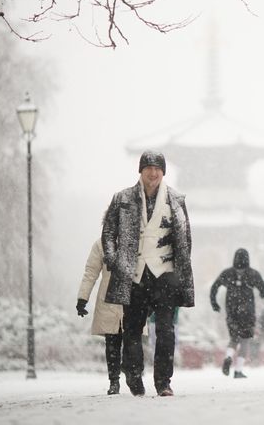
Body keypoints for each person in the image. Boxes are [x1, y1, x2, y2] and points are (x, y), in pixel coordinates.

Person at [101, 150, 194, 397]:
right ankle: (133, 375)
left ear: (163, 172)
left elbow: (185, 238)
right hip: (134, 273)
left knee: (165, 330)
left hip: (164, 273)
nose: (153, 173)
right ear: (140, 171)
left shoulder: (175, 199)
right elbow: (108, 232)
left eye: (157, 169)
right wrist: (113, 260)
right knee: (132, 329)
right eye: (148, 168)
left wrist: (179, 268)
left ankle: (163, 381)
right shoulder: (122, 199)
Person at [210, 248, 264, 379]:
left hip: (231, 309)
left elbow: (214, 287)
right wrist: (263, 294)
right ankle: (238, 370)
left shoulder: (227, 273)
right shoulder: (253, 274)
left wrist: (214, 303)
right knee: (245, 340)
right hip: (247, 310)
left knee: (234, 338)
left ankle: (228, 356)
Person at [76, 238, 124, 395]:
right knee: (112, 341)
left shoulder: (137, 239)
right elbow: (91, 272)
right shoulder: (101, 244)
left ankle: (131, 374)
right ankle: (114, 380)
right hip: (108, 299)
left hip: (132, 297)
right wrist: (83, 298)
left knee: (131, 340)